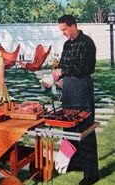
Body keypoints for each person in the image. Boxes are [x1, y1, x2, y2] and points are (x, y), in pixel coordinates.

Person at [52, 15, 100, 185]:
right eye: (62, 30)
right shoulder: (66, 44)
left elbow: (85, 68)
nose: (63, 33)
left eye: (65, 29)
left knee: (85, 130)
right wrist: (58, 78)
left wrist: (63, 71)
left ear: (73, 26)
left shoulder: (87, 43)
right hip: (69, 90)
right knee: (69, 128)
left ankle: (91, 174)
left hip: (82, 89)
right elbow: (63, 65)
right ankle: (75, 162)